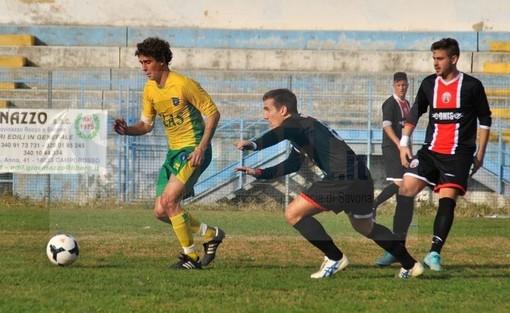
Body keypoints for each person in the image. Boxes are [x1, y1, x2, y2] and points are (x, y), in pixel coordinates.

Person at [234, 88, 424, 279]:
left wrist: (253, 144)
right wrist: (260, 173)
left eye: (267, 109)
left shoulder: (295, 124)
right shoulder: (303, 127)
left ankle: (334, 258)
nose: (264, 115)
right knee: (365, 226)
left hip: (343, 177)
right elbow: (293, 164)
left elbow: (276, 135)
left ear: (283, 110)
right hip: (360, 177)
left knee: (293, 213)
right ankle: (410, 264)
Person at [113, 37, 225, 270]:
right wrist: (126, 131)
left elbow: (213, 114)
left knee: (169, 200)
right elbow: (146, 125)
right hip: (173, 153)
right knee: (160, 211)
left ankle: (191, 258)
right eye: (141, 63)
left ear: (162, 61)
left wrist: (201, 148)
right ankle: (211, 234)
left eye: (148, 62)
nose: (144, 68)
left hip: (192, 149)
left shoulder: (183, 84)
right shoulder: (150, 89)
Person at [398, 38, 492, 271]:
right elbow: (415, 112)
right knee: (405, 190)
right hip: (430, 151)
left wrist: (480, 153)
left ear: (454, 58)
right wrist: (404, 142)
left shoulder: (472, 86)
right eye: (434, 59)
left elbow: (485, 119)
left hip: (459, 154)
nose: (435, 63)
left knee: (447, 199)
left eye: (440, 59)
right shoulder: (429, 84)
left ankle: (433, 253)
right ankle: (397, 248)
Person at [373, 72, 415, 267]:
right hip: (392, 148)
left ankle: (398, 248)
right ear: (393, 85)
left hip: (403, 149)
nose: (402, 88)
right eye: (399, 85)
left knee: (406, 194)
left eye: (404, 85)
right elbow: (387, 127)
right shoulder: (389, 104)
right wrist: (399, 145)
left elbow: (408, 129)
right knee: (399, 183)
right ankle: (374, 204)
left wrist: (409, 150)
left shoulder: (407, 104)